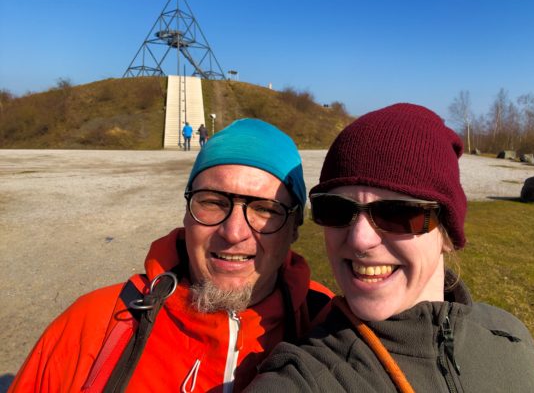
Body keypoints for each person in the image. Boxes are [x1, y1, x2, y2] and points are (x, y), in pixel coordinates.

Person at [10, 118, 333, 393]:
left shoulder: (334, 328)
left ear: (294, 228)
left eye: (265, 209)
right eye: (213, 202)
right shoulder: (91, 325)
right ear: (186, 214)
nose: (234, 233)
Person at [247, 103, 534, 392]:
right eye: (336, 209)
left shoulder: (510, 336)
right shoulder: (306, 377)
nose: (360, 239)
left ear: (447, 233)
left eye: (398, 214)